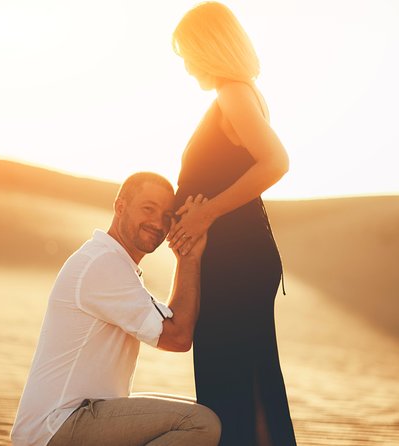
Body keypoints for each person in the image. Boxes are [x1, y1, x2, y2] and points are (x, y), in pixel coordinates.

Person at [10, 172, 221, 446]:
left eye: (168, 216)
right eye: (148, 208)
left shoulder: (116, 265)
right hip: (58, 424)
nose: (158, 223)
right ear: (120, 206)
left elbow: (172, 323)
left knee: (197, 412)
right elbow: (177, 337)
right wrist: (190, 258)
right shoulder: (103, 264)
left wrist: (185, 257)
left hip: (78, 417)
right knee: (199, 424)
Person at [168, 2, 297, 445]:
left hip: (235, 261)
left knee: (233, 379)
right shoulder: (239, 93)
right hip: (231, 257)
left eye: (188, 53)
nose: (185, 66)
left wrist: (206, 212)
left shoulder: (234, 93)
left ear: (210, 48)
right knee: (246, 376)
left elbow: (276, 161)